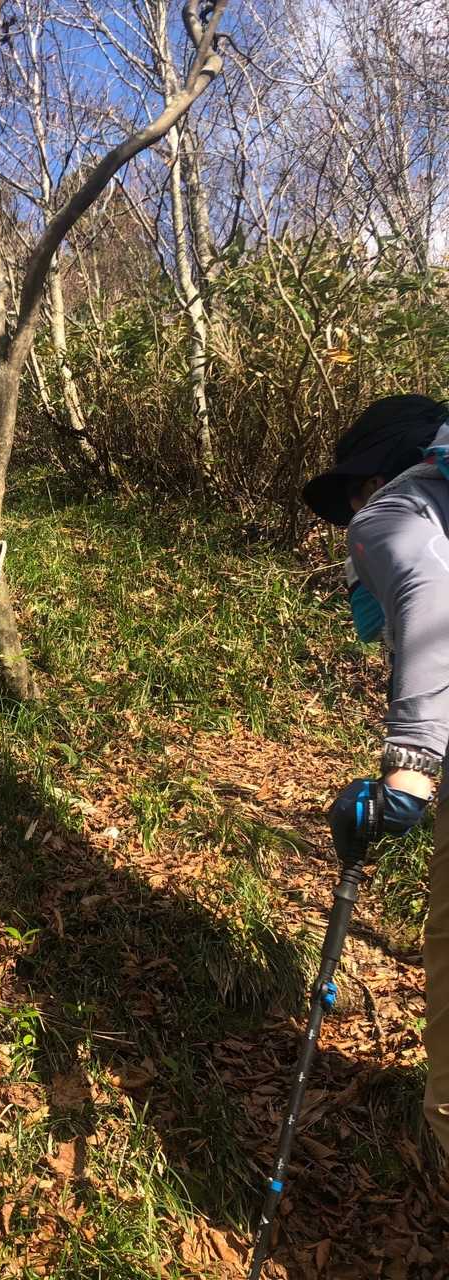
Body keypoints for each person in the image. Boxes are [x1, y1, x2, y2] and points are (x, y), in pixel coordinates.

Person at [302, 393, 449, 1154]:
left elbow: (432, 605)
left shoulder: (392, 511)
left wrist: (409, 770)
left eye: (355, 490)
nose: (353, 513)